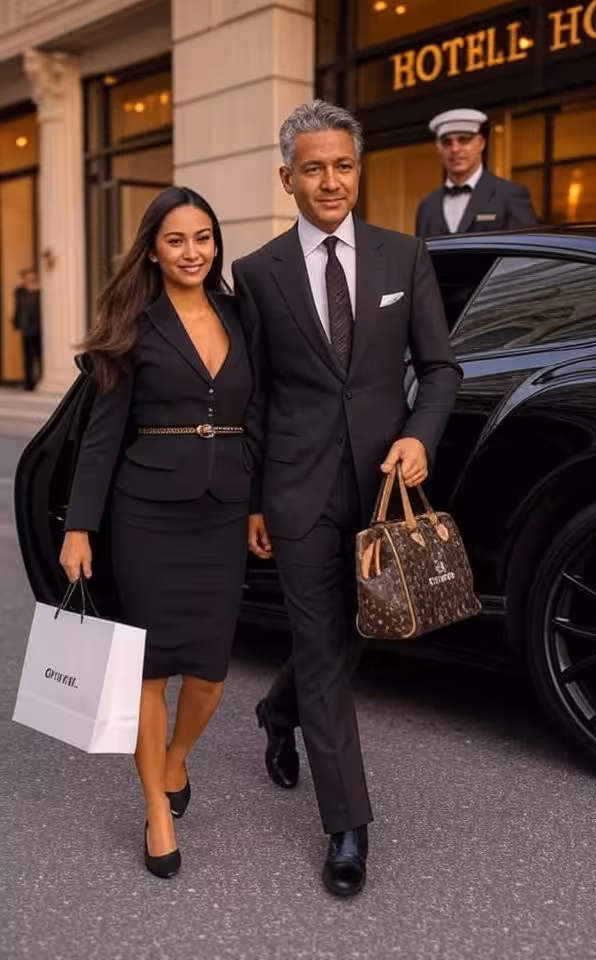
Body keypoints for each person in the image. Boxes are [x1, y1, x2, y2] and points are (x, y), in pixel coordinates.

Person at [233, 100, 462, 897]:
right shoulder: (256, 273)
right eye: (314, 168)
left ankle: (275, 711)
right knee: (322, 643)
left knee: (355, 629)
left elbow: (440, 370)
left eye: (344, 165)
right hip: (296, 488)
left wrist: (420, 436)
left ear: (357, 170)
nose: (331, 181)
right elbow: (256, 396)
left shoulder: (404, 256)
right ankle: (346, 827)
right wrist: (258, 499)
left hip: (380, 486)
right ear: (287, 177)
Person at [59, 186, 264, 880]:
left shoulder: (241, 316)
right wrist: (80, 527)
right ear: (153, 249)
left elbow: (258, 414)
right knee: (149, 671)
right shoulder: (133, 324)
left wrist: (259, 501)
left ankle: (176, 761)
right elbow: (100, 436)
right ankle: (155, 805)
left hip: (222, 511)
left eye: (203, 237)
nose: (192, 252)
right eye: (176, 240)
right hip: (145, 513)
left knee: (209, 671)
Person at [415, 108, 538, 238]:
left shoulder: (509, 195)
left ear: (481, 143)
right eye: (447, 142)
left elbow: (527, 253)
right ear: (438, 148)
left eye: (464, 140)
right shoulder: (426, 206)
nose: (455, 149)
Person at [13, 268, 42, 390]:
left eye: (32, 277)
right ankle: (28, 383)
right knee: (27, 358)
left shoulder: (39, 291)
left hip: (39, 328)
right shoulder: (20, 291)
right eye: (28, 277)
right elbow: (16, 307)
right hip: (26, 327)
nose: (30, 280)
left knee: (40, 356)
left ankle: (40, 380)